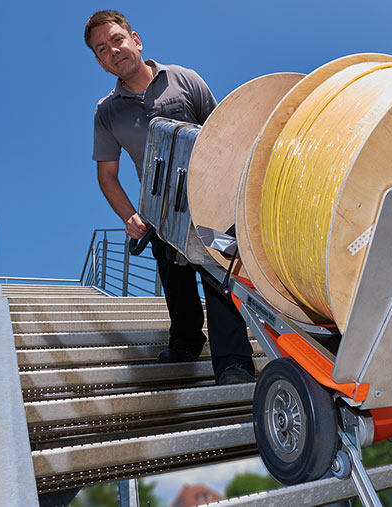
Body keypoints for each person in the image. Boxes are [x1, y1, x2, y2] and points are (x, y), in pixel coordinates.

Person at [85, 10, 255, 385]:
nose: (113, 50)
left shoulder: (184, 79)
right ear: (100, 63)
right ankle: (185, 344)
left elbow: (221, 136)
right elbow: (106, 176)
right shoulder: (106, 112)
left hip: (209, 203)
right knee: (175, 283)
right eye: (102, 49)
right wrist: (130, 216)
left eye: (117, 40)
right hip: (160, 211)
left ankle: (234, 363)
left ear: (135, 40)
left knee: (219, 277)